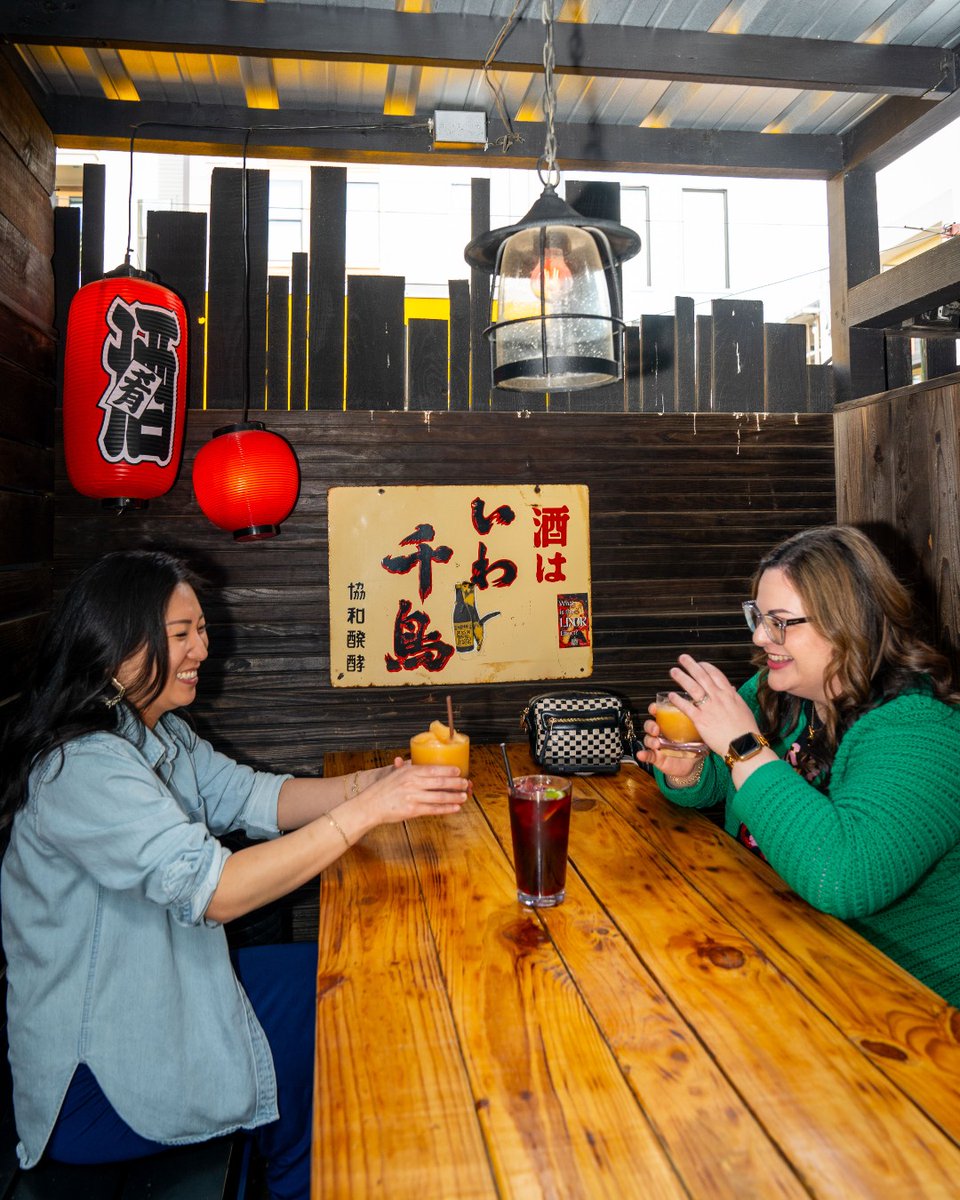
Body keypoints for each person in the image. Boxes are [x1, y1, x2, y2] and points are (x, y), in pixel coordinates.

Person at [0, 549, 470, 1199]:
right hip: (99, 1081)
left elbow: (259, 799)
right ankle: (302, 1177)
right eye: (182, 634)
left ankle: (300, 1168)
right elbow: (216, 892)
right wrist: (368, 812)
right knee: (338, 1017)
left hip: (166, 996)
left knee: (347, 978)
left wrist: (384, 782)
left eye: (203, 630)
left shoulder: (158, 736)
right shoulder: (82, 768)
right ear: (120, 646)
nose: (202, 649)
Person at [637, 524, 960, 1009]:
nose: (761, 636)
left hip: (898, 1003)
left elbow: (844, 877)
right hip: (783, 953)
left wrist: (742, 746)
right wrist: (687, 769)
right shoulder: (777, 694)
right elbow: (718, 784)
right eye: (759, 617)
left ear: (847, 621)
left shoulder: (921, 729)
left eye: (781, 621)